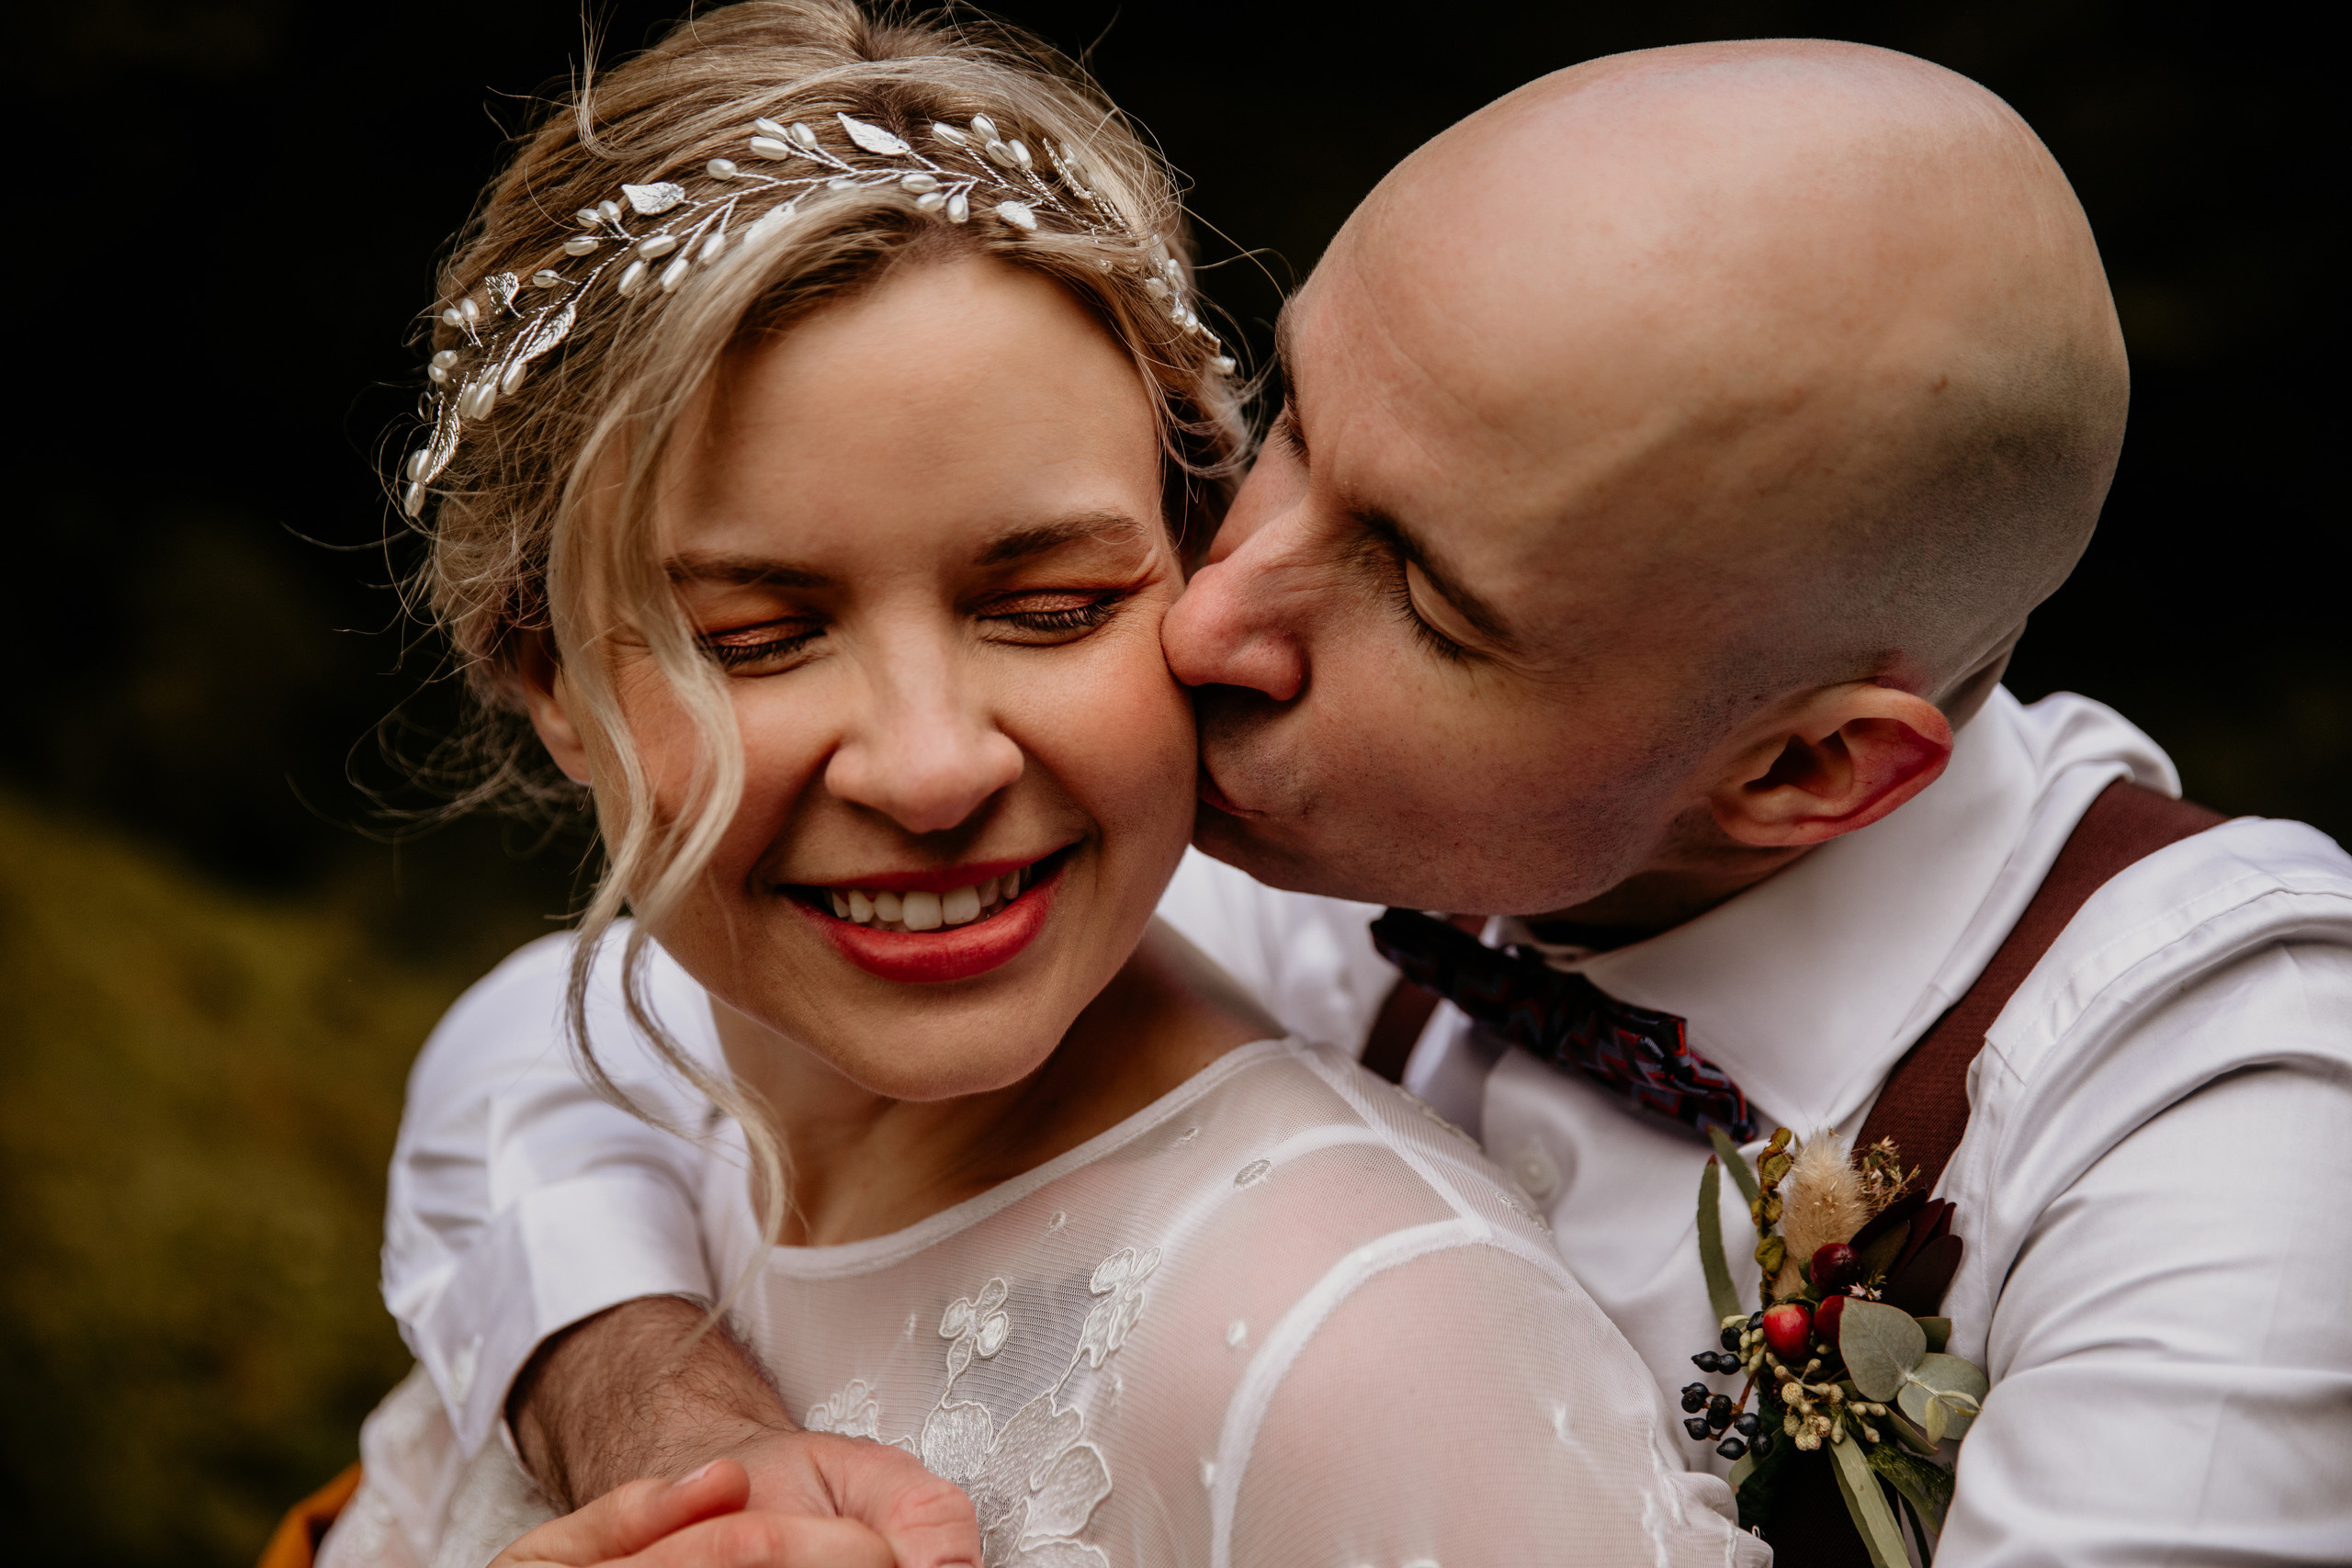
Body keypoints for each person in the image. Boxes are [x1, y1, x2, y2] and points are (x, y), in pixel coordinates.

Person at [370, 17, 2352, 1568]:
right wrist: (662, 1418)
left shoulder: (2233, 1135)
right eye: (1289, 422)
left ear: (1805, 769)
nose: (1206, 605)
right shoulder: (1305, 811)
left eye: (1413, 585)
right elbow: (591, 1040)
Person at [314, 5, 1769, 1566]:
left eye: (1054, 608)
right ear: (549, 682)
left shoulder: (1363, 1336)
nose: (935, 767)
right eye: (756, 638)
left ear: (1199, 575)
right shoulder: (641, 1118)